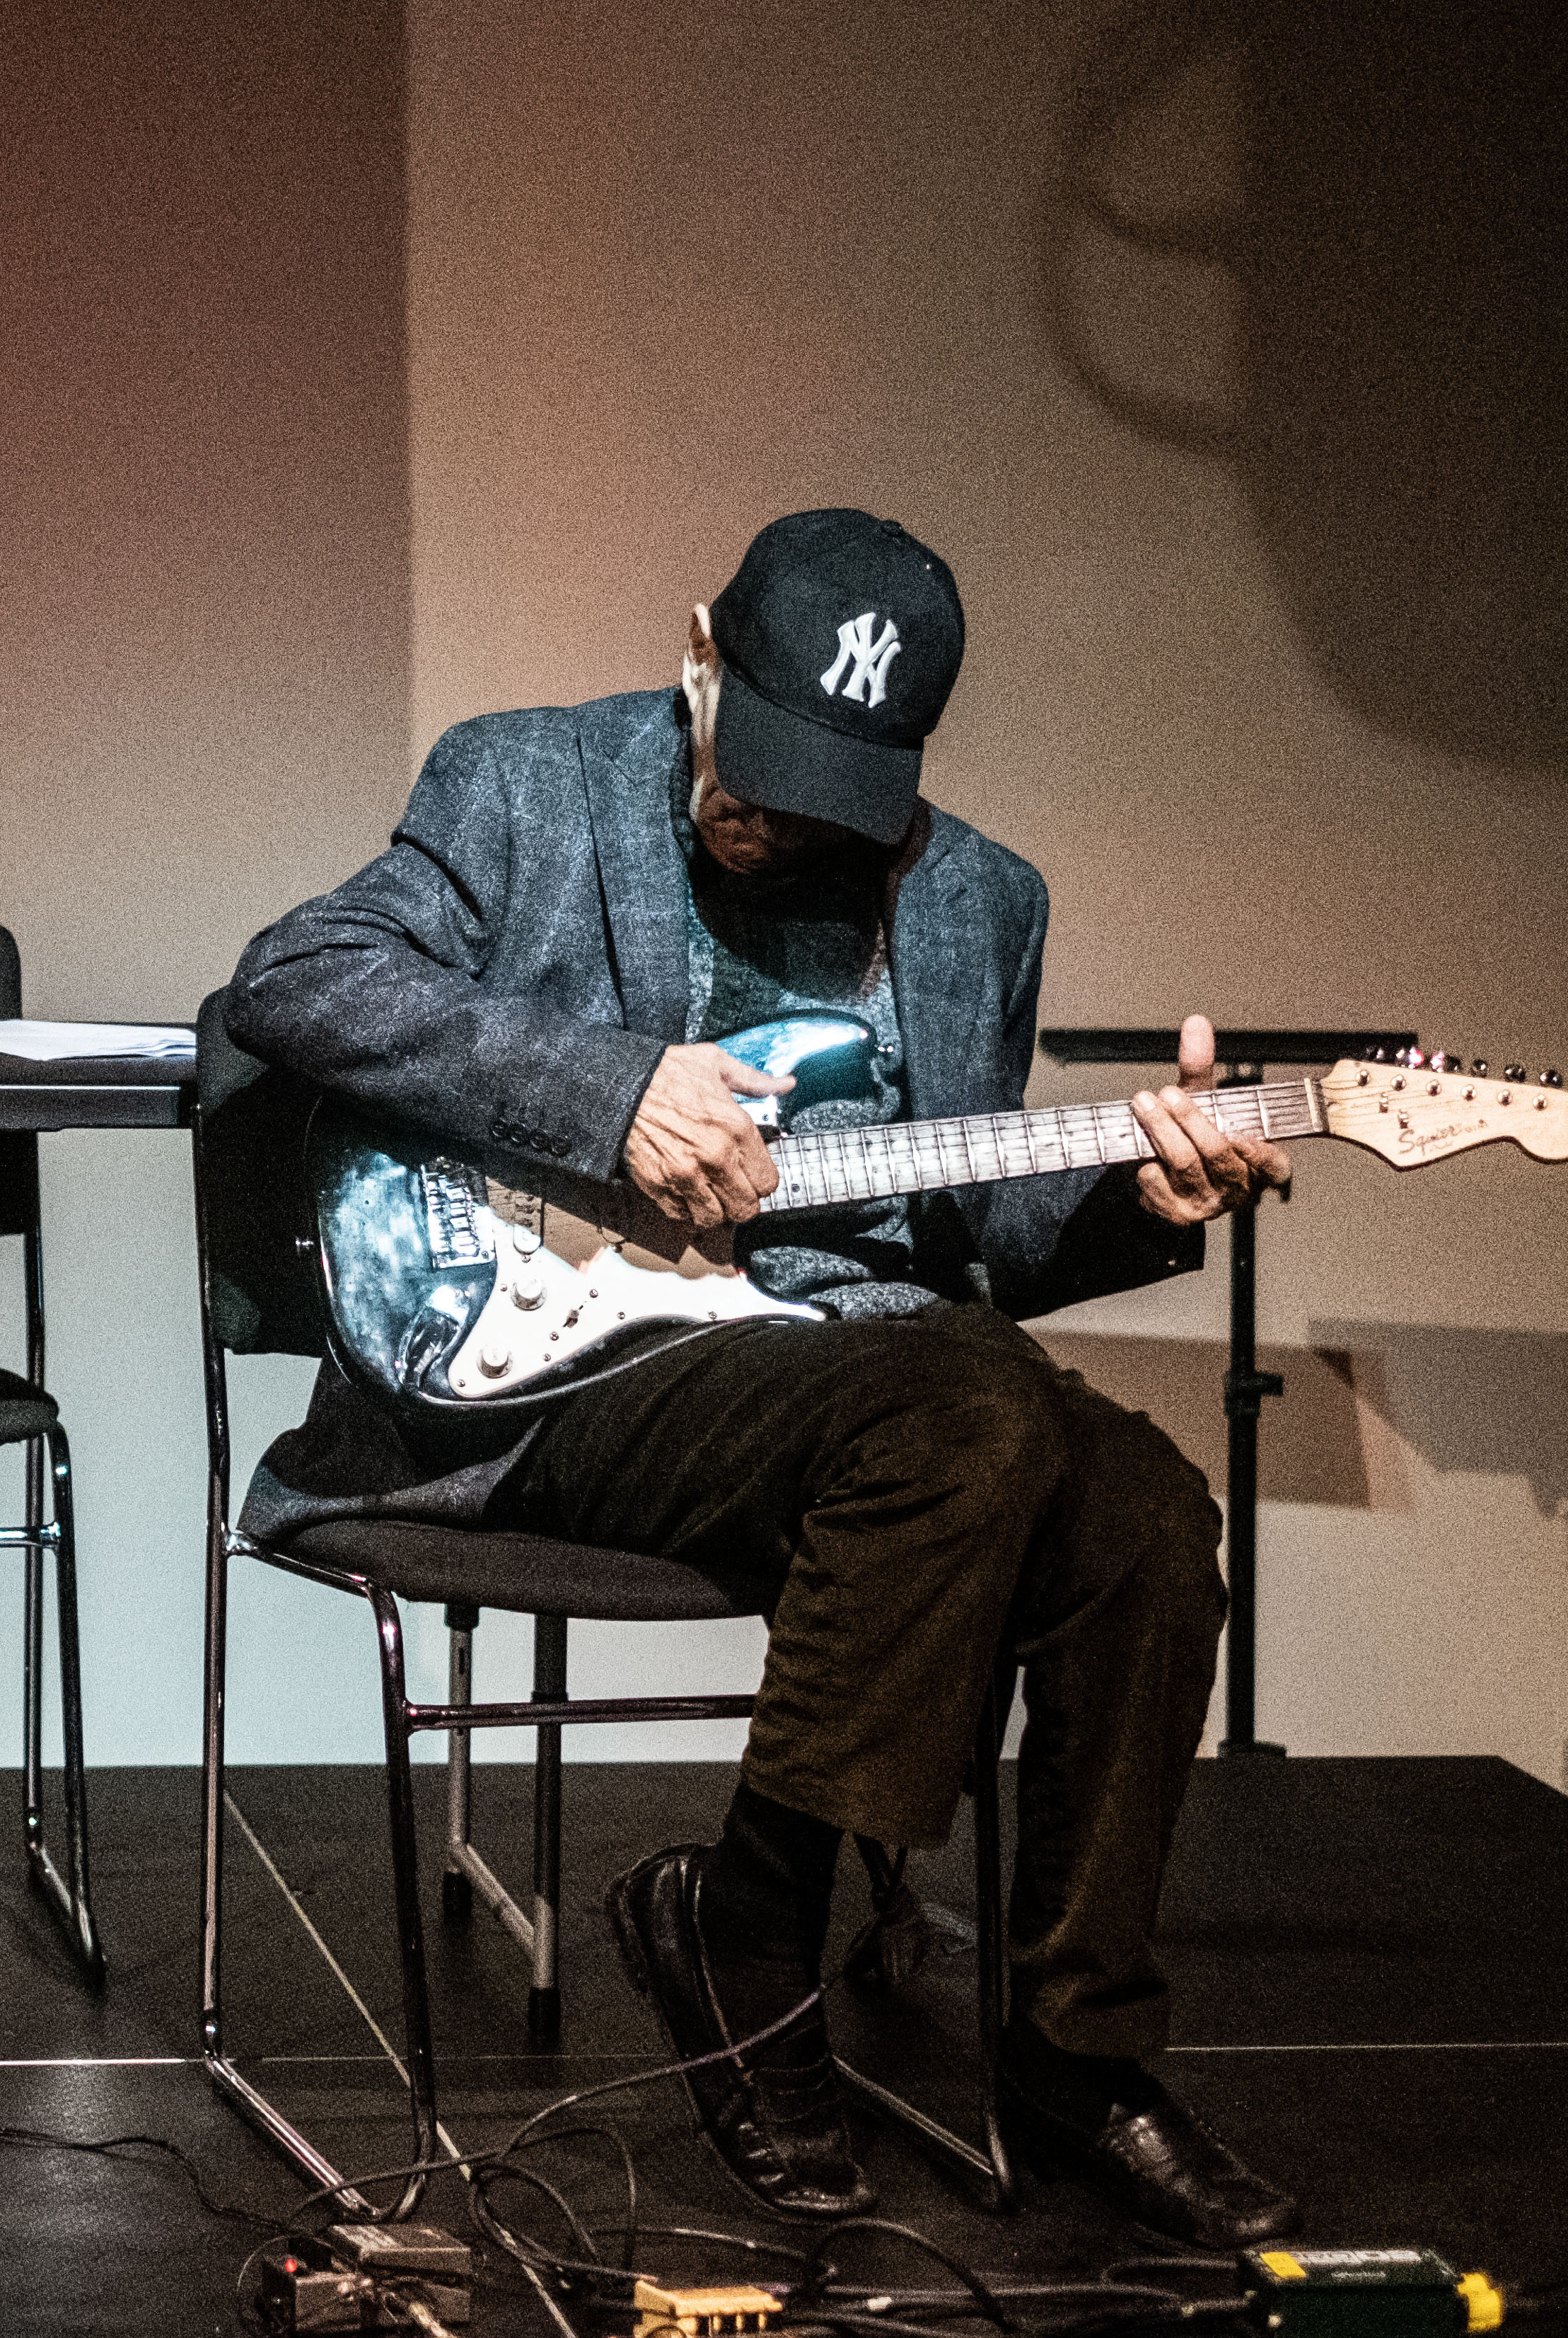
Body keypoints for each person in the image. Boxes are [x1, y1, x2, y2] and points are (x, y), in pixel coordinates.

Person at [221, 508, 1301, 2250]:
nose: (774, 814)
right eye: (759, 759)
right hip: (573, 1367)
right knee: (970, 1416)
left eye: (833, 790)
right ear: (699, 656)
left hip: (865, 1369)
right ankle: (751, 1937)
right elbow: (295, 979)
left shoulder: (978, 899)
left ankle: (1077, 2050)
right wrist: (609, 1090)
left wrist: (1141, 1196)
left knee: (1152, 1517)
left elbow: (974, 1238)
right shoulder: (527, 784)